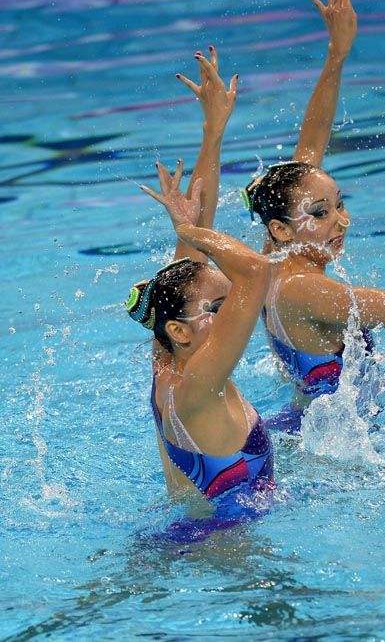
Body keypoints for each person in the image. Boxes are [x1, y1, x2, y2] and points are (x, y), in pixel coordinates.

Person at [240, 0, 385, 432]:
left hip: (312, 429)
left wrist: (336, 54)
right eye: (321, 213)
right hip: (331, 455)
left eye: (338, 205)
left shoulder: (272, 261)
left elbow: (308, 152)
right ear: (281, 228)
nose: (341, 221)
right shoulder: (305, 290)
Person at [125, 50, 274, 540]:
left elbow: (193, 254)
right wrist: (191, 232)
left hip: (192, 535)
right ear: (180, 329)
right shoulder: (199, 383)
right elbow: (255, 272)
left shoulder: (166, 360)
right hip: (229, 549)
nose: (234, 313)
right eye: (218, 308)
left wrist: (213, 132)